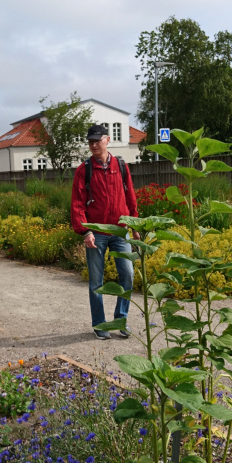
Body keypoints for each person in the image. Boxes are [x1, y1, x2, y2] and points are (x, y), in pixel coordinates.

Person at [70, 124, 138, 339]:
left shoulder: (121, 165)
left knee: (127, 274)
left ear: (107, 140)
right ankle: (100, 324)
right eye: (90, 141)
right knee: (96, 282)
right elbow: (77, 203)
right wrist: (85, 231)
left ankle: (121, 319)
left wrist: (134, 224)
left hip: (120, 231)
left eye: (97, 140)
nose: (93, 144)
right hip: (96, 232)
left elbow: (130, 196)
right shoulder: (84, 170)